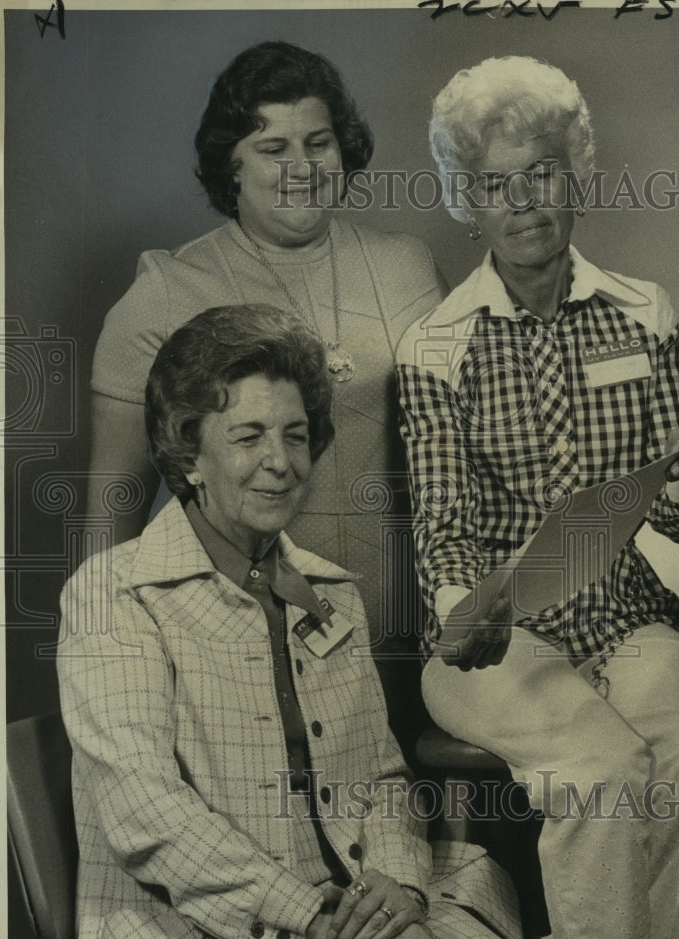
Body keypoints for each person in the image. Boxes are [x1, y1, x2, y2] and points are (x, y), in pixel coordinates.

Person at [56, 303, 555, 939]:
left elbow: (380, 781)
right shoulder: (114, 595)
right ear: (188, 452)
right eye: (248, 436)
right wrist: (322, 919)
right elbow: (150, 817)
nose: (280, 463)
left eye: (295, 436)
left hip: (354, 908)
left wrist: (401, 895)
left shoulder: (329, 592)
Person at [395, 55, 679, 939]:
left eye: (541, 172)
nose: (522, 202)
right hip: (490, 633)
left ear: (575, 176)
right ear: (465, 202)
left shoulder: (645, 314)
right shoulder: (436, 344)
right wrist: (460, 607)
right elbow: (441, 518)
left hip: (622, 615)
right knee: (598, 773)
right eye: (493, 183)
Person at [87, 40, 446, 652]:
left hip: (415, 622)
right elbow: (111, 505)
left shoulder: (407, 266)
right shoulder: (166, 293)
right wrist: (104, 647)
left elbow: (465, 444)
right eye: (273, 148)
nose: (301, 168)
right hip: (244, 637)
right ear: (231, 165)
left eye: (318, 143)